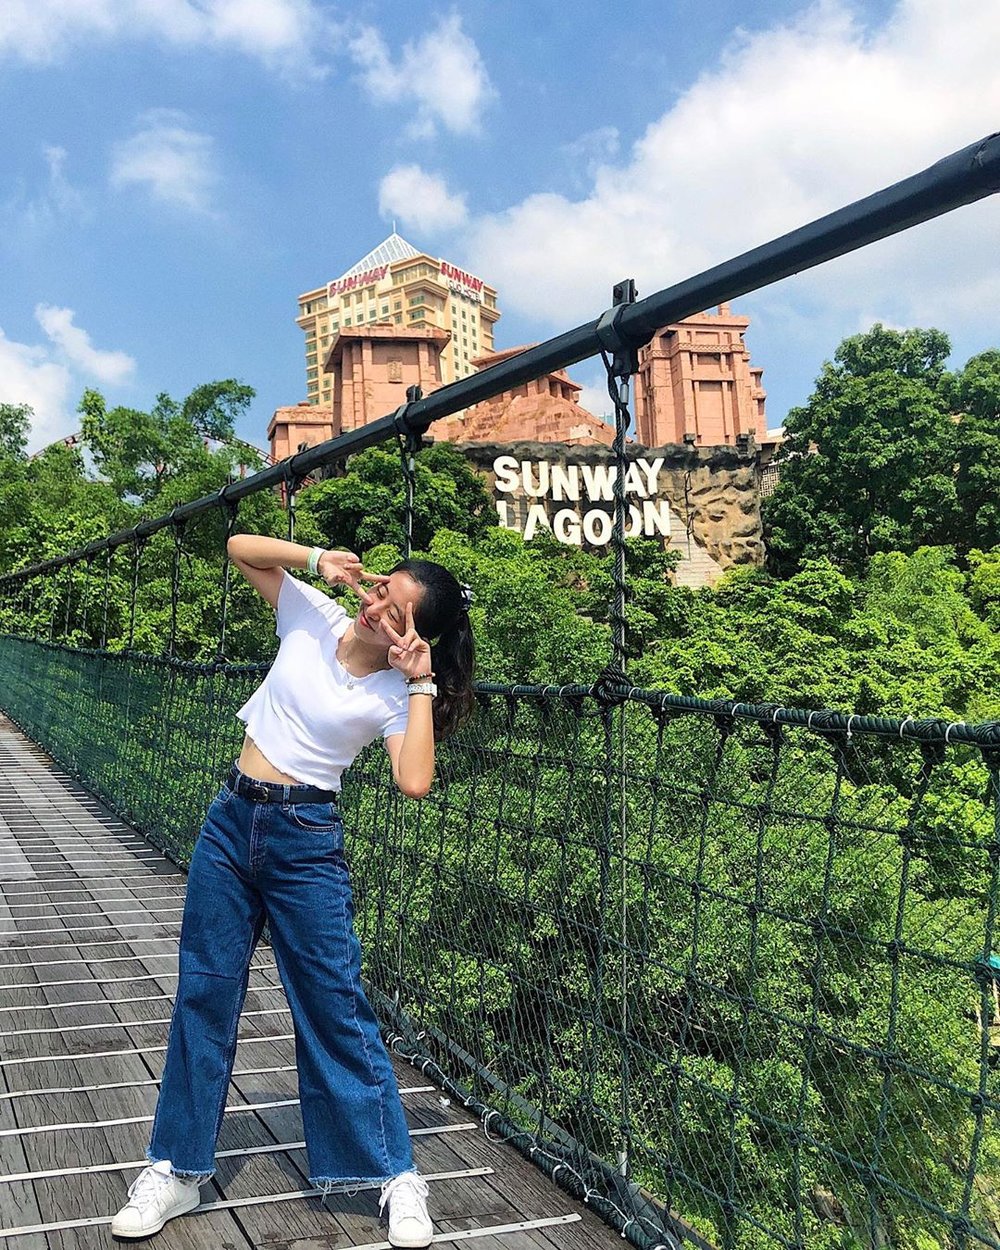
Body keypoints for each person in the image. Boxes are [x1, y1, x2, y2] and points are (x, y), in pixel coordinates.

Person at [111, 534, 475, 1246]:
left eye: (396, 611)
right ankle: (175, 1169)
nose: (376, 609)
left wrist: (420, 681)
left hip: (305, 840)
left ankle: (396, 1175)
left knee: (335, 1004)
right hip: (230, 821)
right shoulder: (312, 613)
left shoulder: (396, 694)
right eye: (379, 590)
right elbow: (239, 546)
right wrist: (317, 560)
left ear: (417, 633)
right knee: (204, 991)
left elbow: (416, 781)